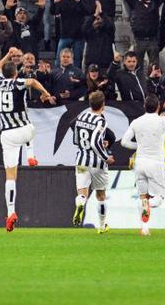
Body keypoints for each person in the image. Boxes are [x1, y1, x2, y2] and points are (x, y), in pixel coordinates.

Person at [0, 47, 55, 232]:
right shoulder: (17, 82)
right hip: (24, 130)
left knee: (10, 177)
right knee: (31, 127)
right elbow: (33, 81)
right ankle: (30, 155)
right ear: (15, 74)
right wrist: (45, 93)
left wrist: (7, 54)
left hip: (7, 134)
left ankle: (11, 212)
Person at [120, 94, 165, 236]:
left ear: (144, 106)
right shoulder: (162, 121)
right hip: (155, 164)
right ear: (158, 107)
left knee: (143, 197)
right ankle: (148, 209)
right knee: (158, 199)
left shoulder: (136, 122)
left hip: (140, 163)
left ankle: (144, 228)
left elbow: (124, 142)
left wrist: (139, 146)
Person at [70, 90, 115, 233]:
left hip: (81, 161)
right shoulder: (101, 120)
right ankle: (102, 226)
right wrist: (106, 157)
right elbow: (95, 143)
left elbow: (76, 139)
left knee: (82, 193)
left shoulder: (81, 116)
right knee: (101, 196)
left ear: (90, 104)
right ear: (103, 105)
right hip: (98, 164)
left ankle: (81, 203)